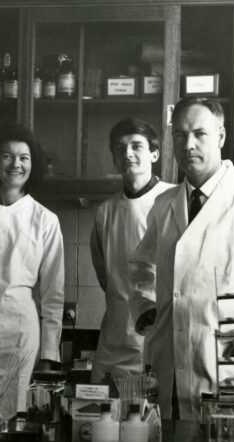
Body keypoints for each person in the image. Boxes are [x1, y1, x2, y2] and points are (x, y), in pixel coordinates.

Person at [129, 98, 234, 420]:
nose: (188, 144)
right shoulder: (165, 204)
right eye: (180, 136)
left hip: (228, 365)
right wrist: (145, 310)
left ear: (221, 137)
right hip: (168, 360)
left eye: (200, 133)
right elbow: (142, 266)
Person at [0, 124, 64, 419]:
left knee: (14, 418)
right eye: (7, 156)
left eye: (24, 158)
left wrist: (49, 354)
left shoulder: (45, 220)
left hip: (21, 335)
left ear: (33, 165)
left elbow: (53, 295)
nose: (15, 164)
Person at [90, 118, 174, 384]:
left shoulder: (172, 201)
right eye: (120, 148)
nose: (127, 153)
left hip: (158, 342)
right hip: (113, 343)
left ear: (155, 153)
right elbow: (106, 277)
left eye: (136, 146)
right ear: (114, 158)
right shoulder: (105, 212)